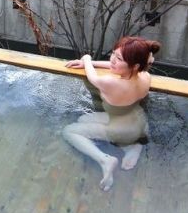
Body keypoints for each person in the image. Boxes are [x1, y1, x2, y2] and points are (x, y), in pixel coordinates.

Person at [63, 36, 161, 191]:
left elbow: (93, 76)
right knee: (83, 119)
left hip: (119, 129)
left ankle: (105, 160)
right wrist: (93, 63)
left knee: (69, 131)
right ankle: (134, 145)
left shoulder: (112, 83)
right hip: (137, 120)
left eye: (119, 58)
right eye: (114, 54)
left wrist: (87, 59)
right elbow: (116, 66)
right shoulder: (144, 76)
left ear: (134, 65)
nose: (113, 60)